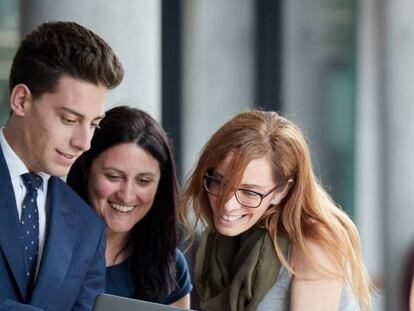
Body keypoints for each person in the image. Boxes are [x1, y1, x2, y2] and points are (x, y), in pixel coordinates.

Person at [180, 110, 373, 310]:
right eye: (219, 182)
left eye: (249, 192)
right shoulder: (222, 240)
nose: (227, 204)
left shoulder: (313, 242)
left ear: (281, 191)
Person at [0, 21, 123, 311]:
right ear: (21, 100)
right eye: (69, 120)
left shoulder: (88, 228)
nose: (84, 142)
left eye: (93, 124)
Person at [67, 106, 192, 308]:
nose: (126, 196)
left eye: (143, 181)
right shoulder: (46, 246)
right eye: (113, 177)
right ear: (85, 169)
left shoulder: (170, 266)